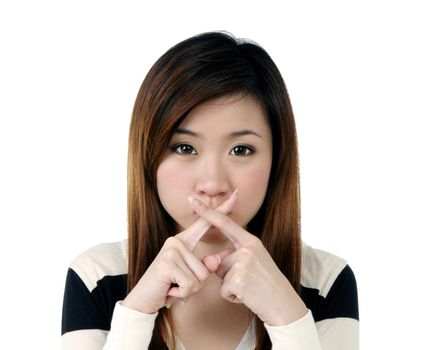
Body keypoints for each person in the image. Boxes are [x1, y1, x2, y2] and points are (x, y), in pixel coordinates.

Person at [61, 31, 359, 350]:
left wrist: (289, 320)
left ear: (277, 159)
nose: (213, 184)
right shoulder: (99, 277)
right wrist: (136, 313)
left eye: (241, 150)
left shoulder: (325, 282)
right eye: (185, 148)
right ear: (148, 157)